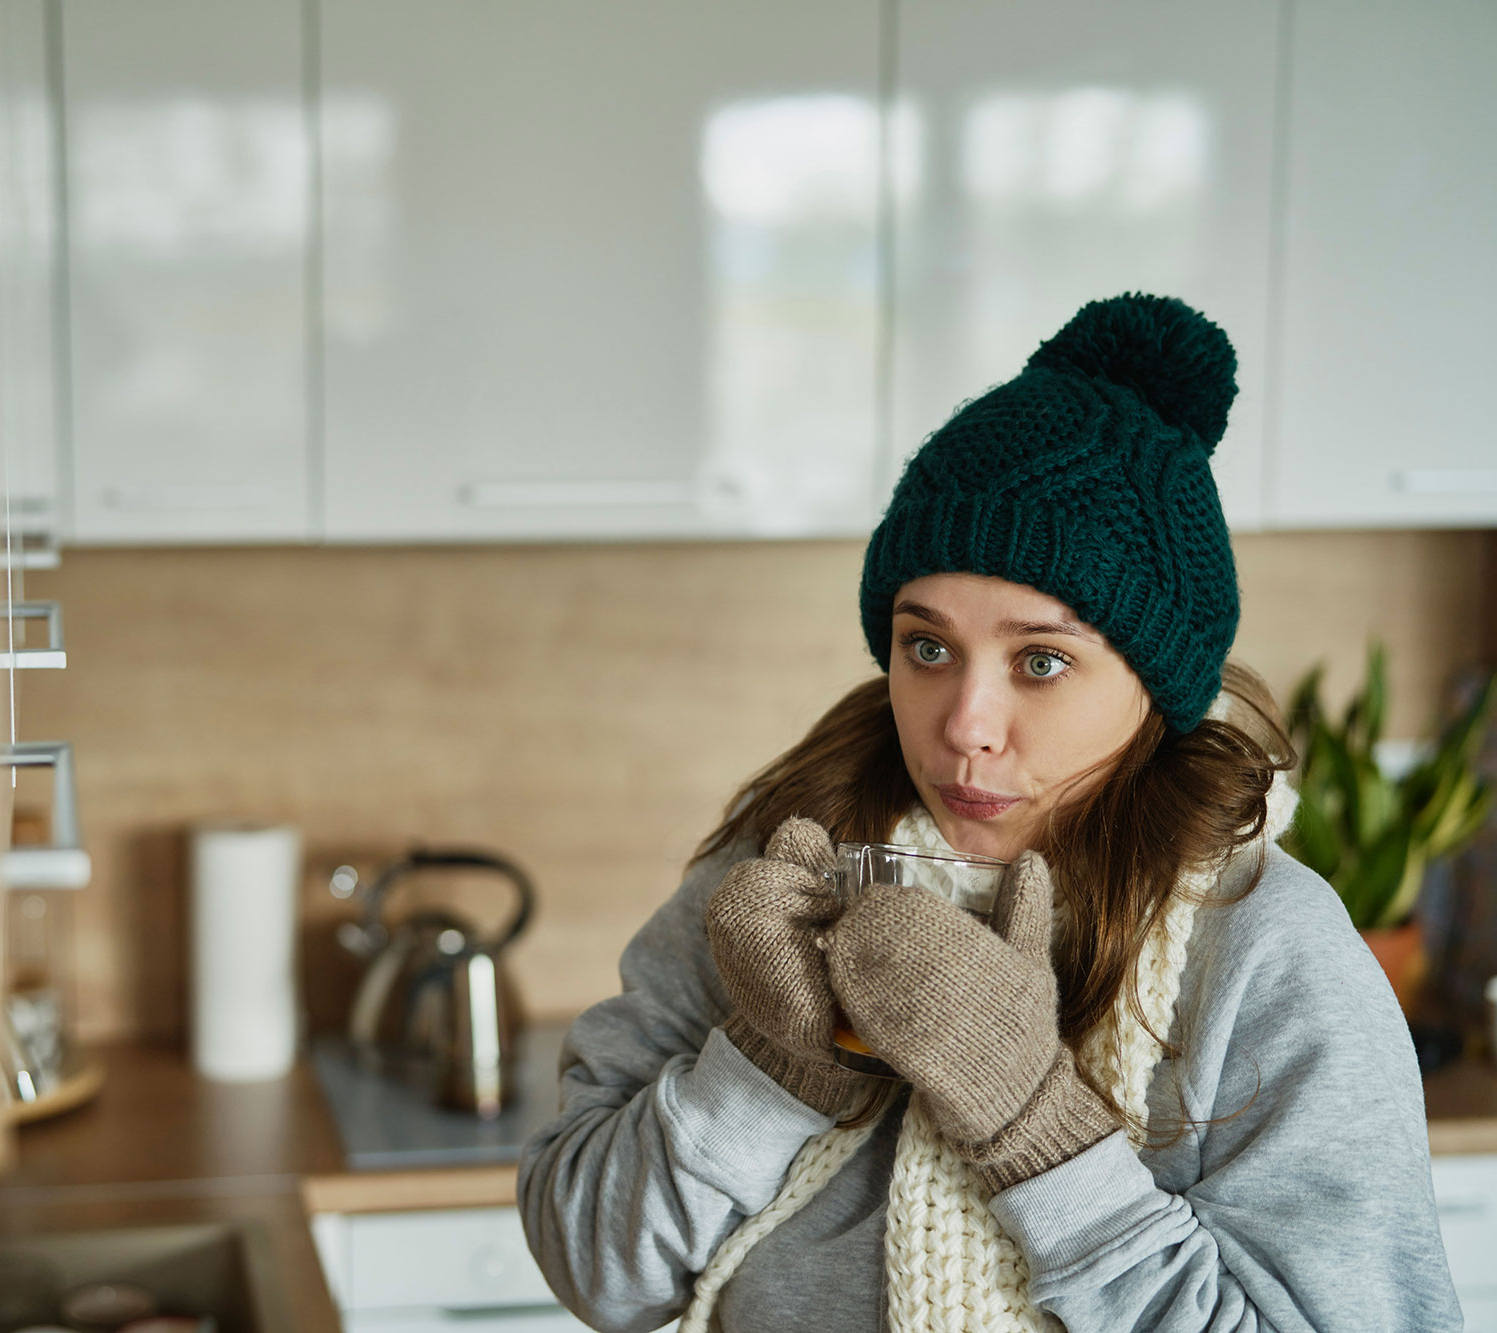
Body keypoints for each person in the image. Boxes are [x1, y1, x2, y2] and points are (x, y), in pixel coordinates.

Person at [516, 294, 1462, 1331]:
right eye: (925, 646)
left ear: (1154, 685)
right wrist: (765, 1069)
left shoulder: (1263, 951)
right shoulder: (782, 874)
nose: (963, 724)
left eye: (1040, 660)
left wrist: (1034, 1126)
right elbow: (596, 1271)